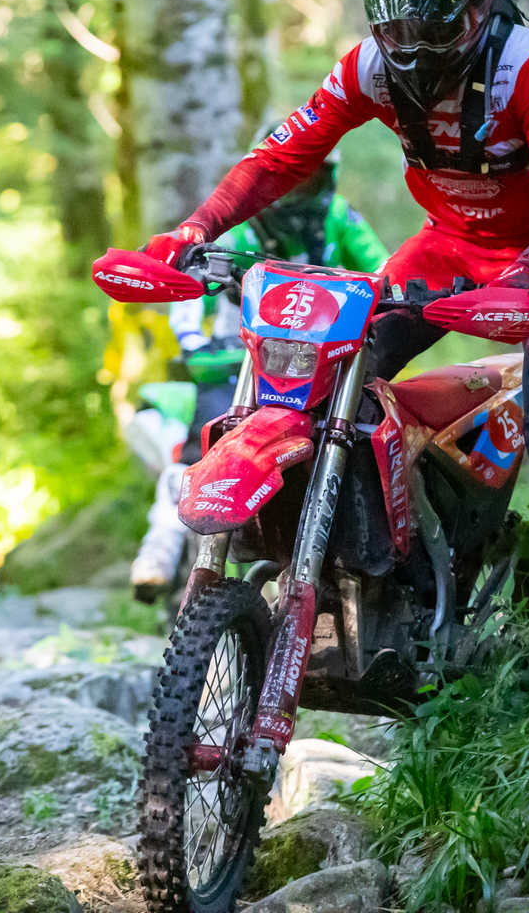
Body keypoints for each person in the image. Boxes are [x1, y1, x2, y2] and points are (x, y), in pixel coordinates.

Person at [142, 0, 529, 612]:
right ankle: (366, 572)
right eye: (399, 32)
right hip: (447, 246)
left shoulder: (523, 64)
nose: (417, 50)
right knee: (324, 377)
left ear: (477, 9)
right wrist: (195, 228)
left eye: (436, 30)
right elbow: (279, 159)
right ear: (376, 25)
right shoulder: (366, 67)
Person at [130, 133, 389, 602]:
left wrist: (400, 296)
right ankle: (160, 550)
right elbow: (192, 298)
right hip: (241, 366)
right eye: (287, 178)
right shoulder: (238, 232)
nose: (297, 187)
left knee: (366, 435)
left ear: (327, 178)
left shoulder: (339, 217)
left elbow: (385, 271)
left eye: (308, 177)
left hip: (324, 368)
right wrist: (202, 343)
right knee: (204, 446)